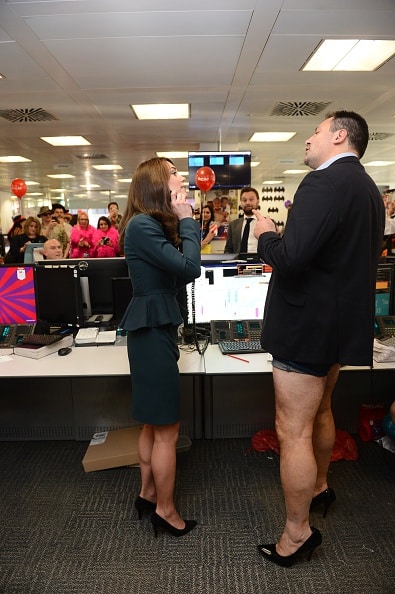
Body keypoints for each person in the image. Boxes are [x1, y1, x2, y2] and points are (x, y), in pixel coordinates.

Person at [253, 110, 384, 567]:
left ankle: (297, 533)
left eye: (316, 131)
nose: (308, 139)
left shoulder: (323, 184)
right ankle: (321, 486)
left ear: (339, 135)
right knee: (323, 409)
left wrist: (266, 235)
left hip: (305, 329)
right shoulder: (367, 189)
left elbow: (290, 259)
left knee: (292, 430)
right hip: (339, 328)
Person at [118, 157, 201, 538]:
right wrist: (187, 220)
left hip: (154, 325)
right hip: (152, 328)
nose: (181, 177)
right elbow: (189, 269)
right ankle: (165, 511)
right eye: (173, 172)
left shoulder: (147, 224)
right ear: (156, 183)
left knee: (153, 422)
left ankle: (148, 493)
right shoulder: (141, 225)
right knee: (167, 427)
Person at [224, 187, 260, 254]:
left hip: (260, 263)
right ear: (241, 203)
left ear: (257, 201)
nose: (248, 203)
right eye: (244, 200)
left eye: (251, 199)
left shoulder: (266, 223)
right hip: (239, 263)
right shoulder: (233, 225)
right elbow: (228, 249)